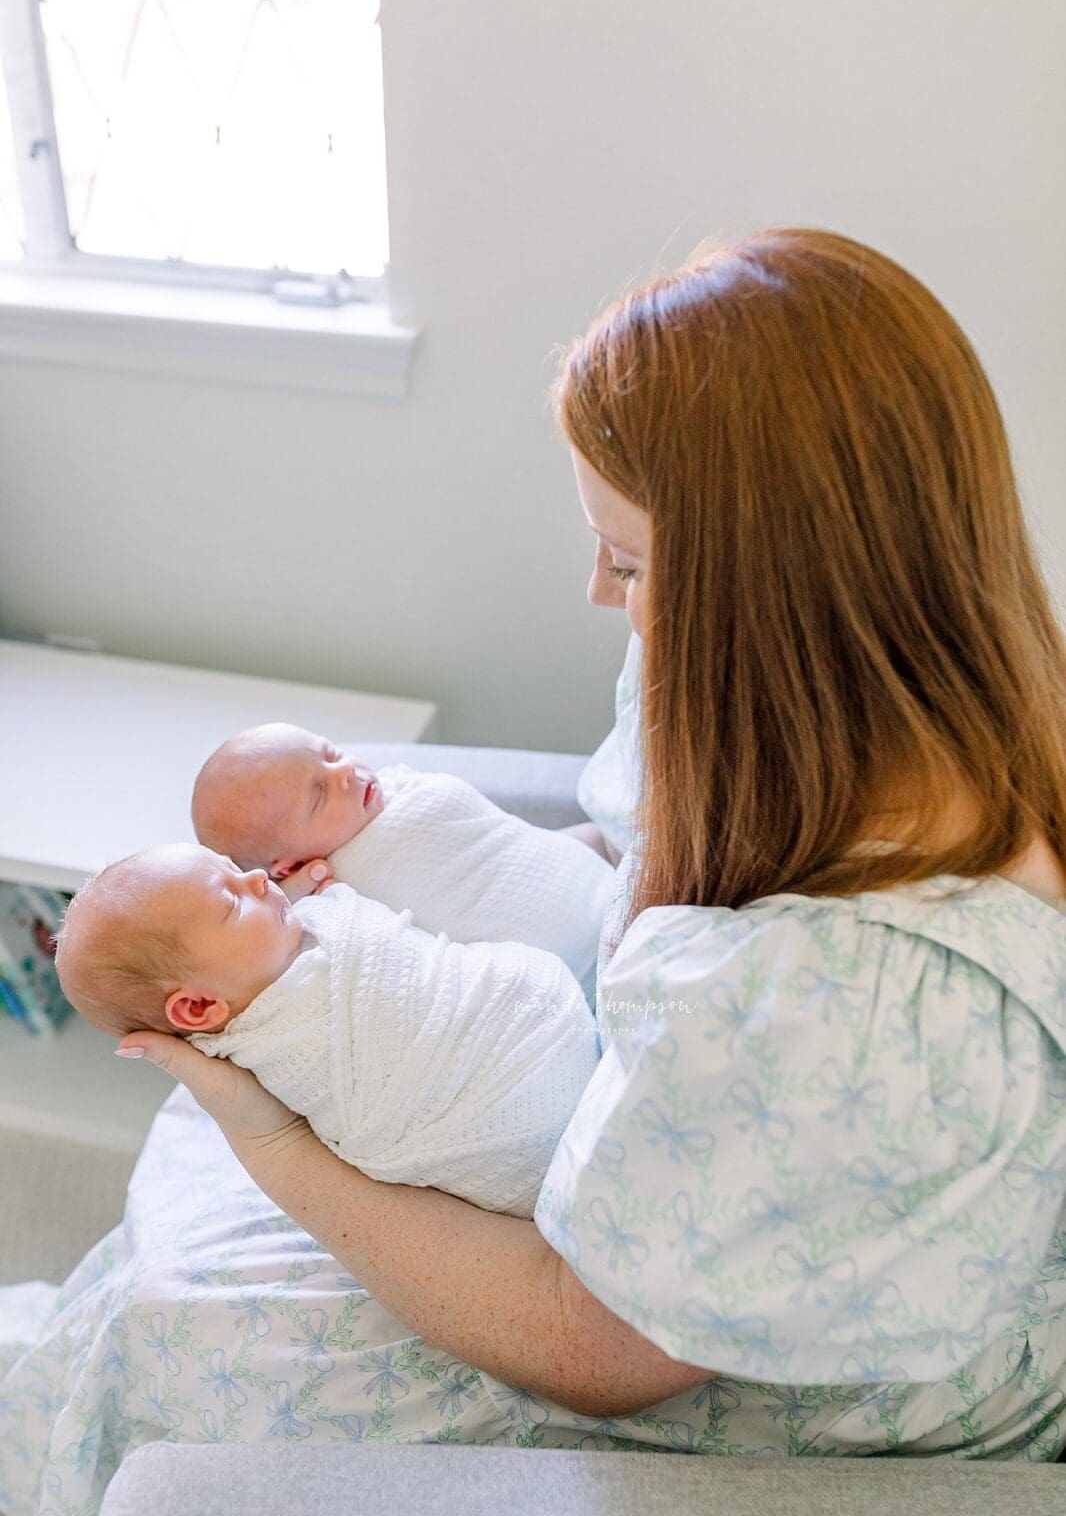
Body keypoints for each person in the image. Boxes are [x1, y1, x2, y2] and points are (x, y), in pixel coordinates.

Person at [3, 230, 1064, 1512]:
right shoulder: (780, 696)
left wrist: (274, 1137)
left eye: (628, 558)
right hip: (628, 1140)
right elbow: (615, 849)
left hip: (758, 1357)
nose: (597, 589)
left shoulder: (846, 999)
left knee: (179, 1332)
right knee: (138, 1288)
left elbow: (594, 1345)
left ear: (765, 591)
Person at [55, 842, 598, 1217]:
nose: (258, 878)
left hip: (526, 1020)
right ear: (197, 1009)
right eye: (231, 902)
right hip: (500, 1126)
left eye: (234, 866)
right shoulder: (270, 1047)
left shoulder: (299, 927)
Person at [191, 721, 614, 994]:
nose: (344, 775)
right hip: (575, 972)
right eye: (319, 795)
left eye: (332, 753)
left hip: (601, 889)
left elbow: (493, 845)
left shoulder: (388, 792)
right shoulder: (336, 899)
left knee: (595, 837)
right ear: (285, 867)